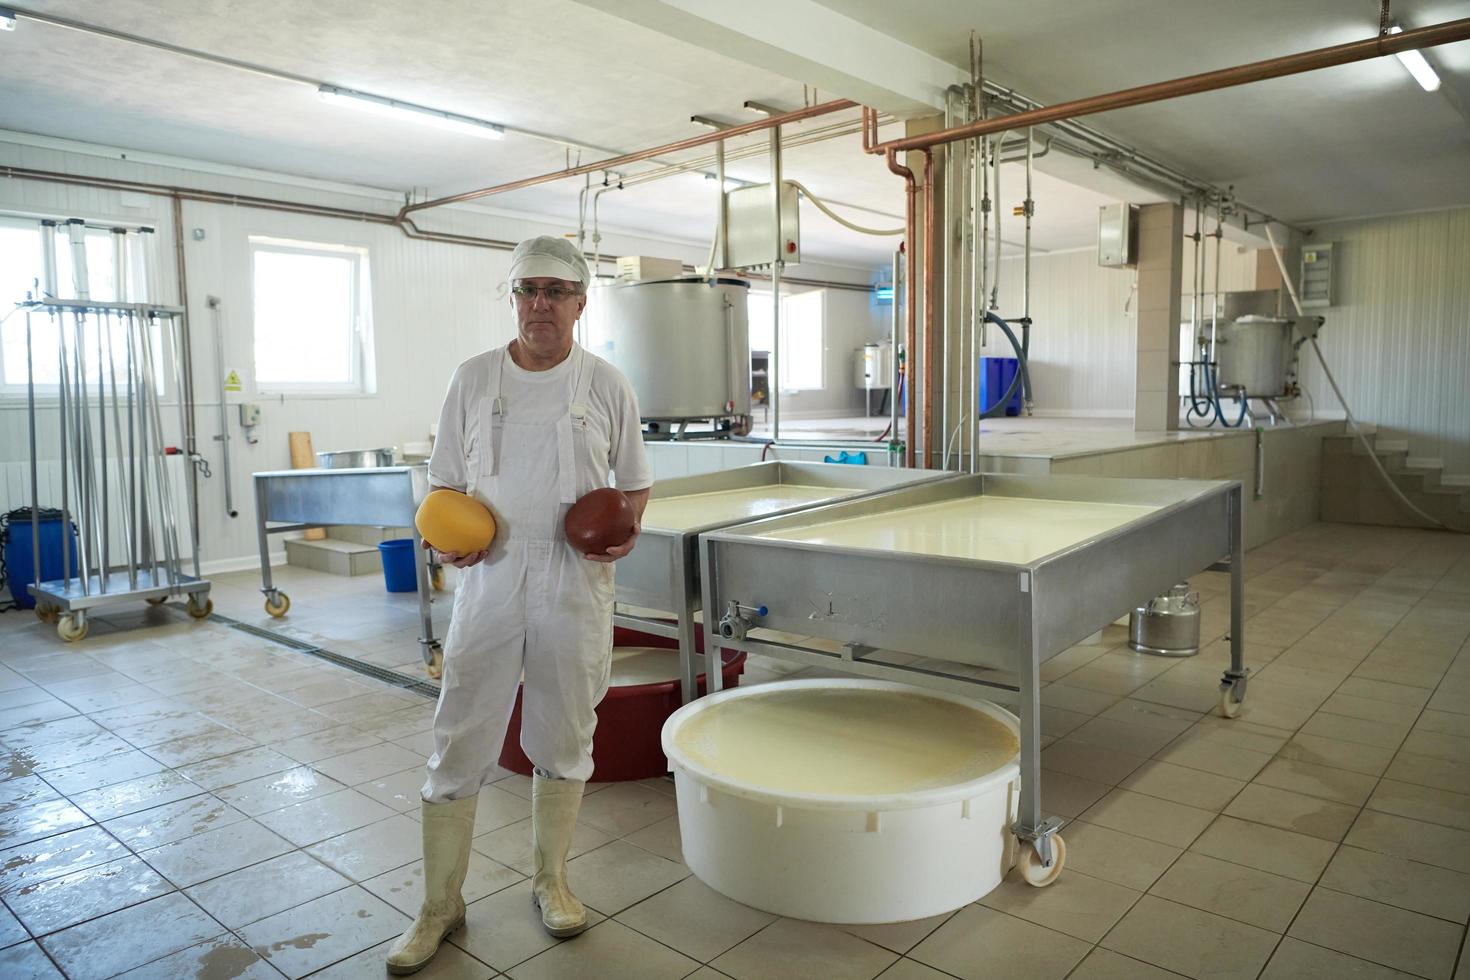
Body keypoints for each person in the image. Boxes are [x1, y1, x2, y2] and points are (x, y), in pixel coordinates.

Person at [387, 236, 651, 975]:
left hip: (575, 583)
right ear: (513, 298)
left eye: (557, 292)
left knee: (566, 732)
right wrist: (446, 543)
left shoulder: (606, 384)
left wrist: (626, 535)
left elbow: (633, 485)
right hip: (491, 581)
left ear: (580, 303)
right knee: (461, 729)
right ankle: (440, 903)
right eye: (529, 289)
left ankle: (551, 880)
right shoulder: (472, 380)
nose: (542, 304)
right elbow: (442, 485)